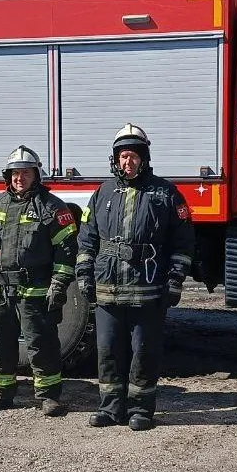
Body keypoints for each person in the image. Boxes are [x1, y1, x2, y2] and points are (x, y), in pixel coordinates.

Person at [75, 124, 195, 431]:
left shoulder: (165, 193)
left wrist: (175, 279)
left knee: (144, 351)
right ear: (115, 159)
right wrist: (84, 275)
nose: (128, 162)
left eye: (133, 156)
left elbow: (183, 241)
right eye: (123, 156)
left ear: (144, 159)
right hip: (107, 288)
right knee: (108, 350)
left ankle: (141, 409)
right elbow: (87, 238)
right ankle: (110, 407)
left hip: (148, 288)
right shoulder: (102, 193)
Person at [0, 146, 77, 416]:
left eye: (25, 172)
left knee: (41, 343)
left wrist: (59, 284)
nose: (19, 178)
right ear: (7, 176)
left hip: (35, 291)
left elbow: (67, 251)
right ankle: (0, 394)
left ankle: (48, 396)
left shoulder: (52, 208)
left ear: (36, 175)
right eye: (15, 173)